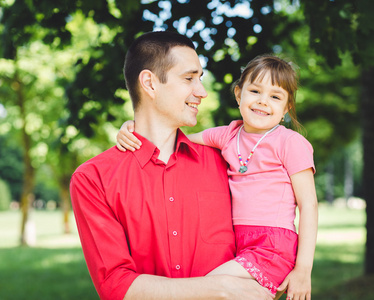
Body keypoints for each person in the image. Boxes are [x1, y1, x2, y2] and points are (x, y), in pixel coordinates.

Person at [70, 31, 274, 300]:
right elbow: (115, 285)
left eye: (200, 79)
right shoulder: (94, 179)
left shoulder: (230, 161)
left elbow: (271, 237)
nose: (202, 92)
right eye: (189, 78)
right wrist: (220, 289)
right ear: (150, 83)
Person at [117, 54, 319, 300]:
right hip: (238, 243)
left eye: (275, 97)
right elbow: (173, 140)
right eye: (255, 91)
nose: (263, 102)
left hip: (273, 246)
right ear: (238, 94)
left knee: (207, 287)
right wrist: (133, 127)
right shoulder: (227, 136)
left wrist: (303, 269)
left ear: (286, 108)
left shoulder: (290, 142)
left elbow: (309, 205)